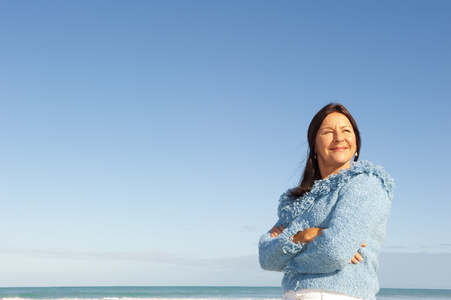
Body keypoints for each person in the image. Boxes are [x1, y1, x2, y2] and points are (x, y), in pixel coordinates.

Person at [258, 103, 394, 300]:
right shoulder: (295, 200)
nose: (339, 138)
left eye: (346, 130)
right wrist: (305, 235)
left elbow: (334, 252)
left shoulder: (367, 182)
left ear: (356, 142)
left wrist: (289, 258)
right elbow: (267, 258)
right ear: (314, 144)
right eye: (328, 132)